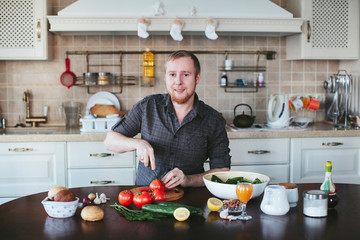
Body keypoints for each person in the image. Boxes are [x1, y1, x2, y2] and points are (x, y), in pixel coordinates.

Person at [104, 50, 231, 189]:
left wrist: (188, 180)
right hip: (145, 199)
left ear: (197, 78)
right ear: (165, 78)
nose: (178, 81)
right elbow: (110, 141)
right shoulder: (148, 106)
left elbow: (223, 172)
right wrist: (138, 143)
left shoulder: (214, 120)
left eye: (186, 75)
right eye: (172, 74)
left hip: (190, 203)